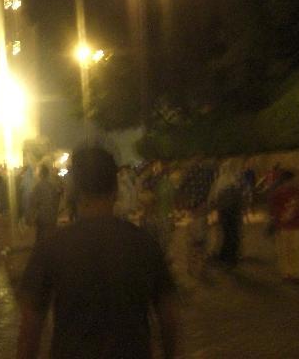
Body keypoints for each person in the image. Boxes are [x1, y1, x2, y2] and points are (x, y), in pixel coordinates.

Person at [17, 146, 178, 359]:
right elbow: (168, 318)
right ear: (116, 190)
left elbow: (29, 330)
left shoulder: (51, 247)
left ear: (74, 191)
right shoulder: (144, 244)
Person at [270, 170, 299, 282]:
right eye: (293, 180)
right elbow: (274, 209)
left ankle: (295, 272)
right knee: (286, 250)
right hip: (285, 225)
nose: (295, 181)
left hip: (295, 224)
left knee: (295, 249)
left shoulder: (297, 192)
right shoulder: (278, 193)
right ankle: (288, 272)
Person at [27, 165, 61, 243]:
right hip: (52, 216)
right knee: (51, 237)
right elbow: (56, 202)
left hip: (42, 217)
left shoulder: (37, 187)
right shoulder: (52, 186)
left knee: (41, 237)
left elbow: (33, 204)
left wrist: (30, 217)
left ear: (41, 174)